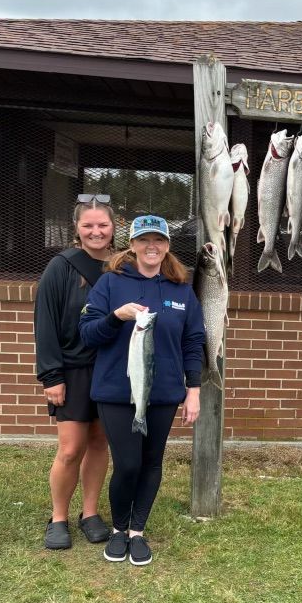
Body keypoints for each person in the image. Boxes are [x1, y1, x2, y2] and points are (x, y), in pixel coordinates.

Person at [79, 215, 205, 566]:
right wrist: (115, 316)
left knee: (152, 462)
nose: (153, 246)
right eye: (144, 240)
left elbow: (194, 340)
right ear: (131, 245)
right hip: (118, 393)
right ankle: (119, 528)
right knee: (128, 463)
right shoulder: (109, 284)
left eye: (160, 240)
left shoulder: (181, 289)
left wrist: (192, 389)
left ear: (167, 246)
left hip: (163, 392)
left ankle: (137, 530)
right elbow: (87, 334)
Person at [34, 194, 116, 550]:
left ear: (115, 228)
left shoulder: (121, 266)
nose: (96, 231)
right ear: (77, 229)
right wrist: (51, 376)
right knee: (70, 448)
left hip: (111, 369)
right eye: (89, 225)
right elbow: (45, 323)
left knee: (100, 442)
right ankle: (58, 518)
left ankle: (90, 513)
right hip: (72, 369)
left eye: (103, 225)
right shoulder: (61, 267)